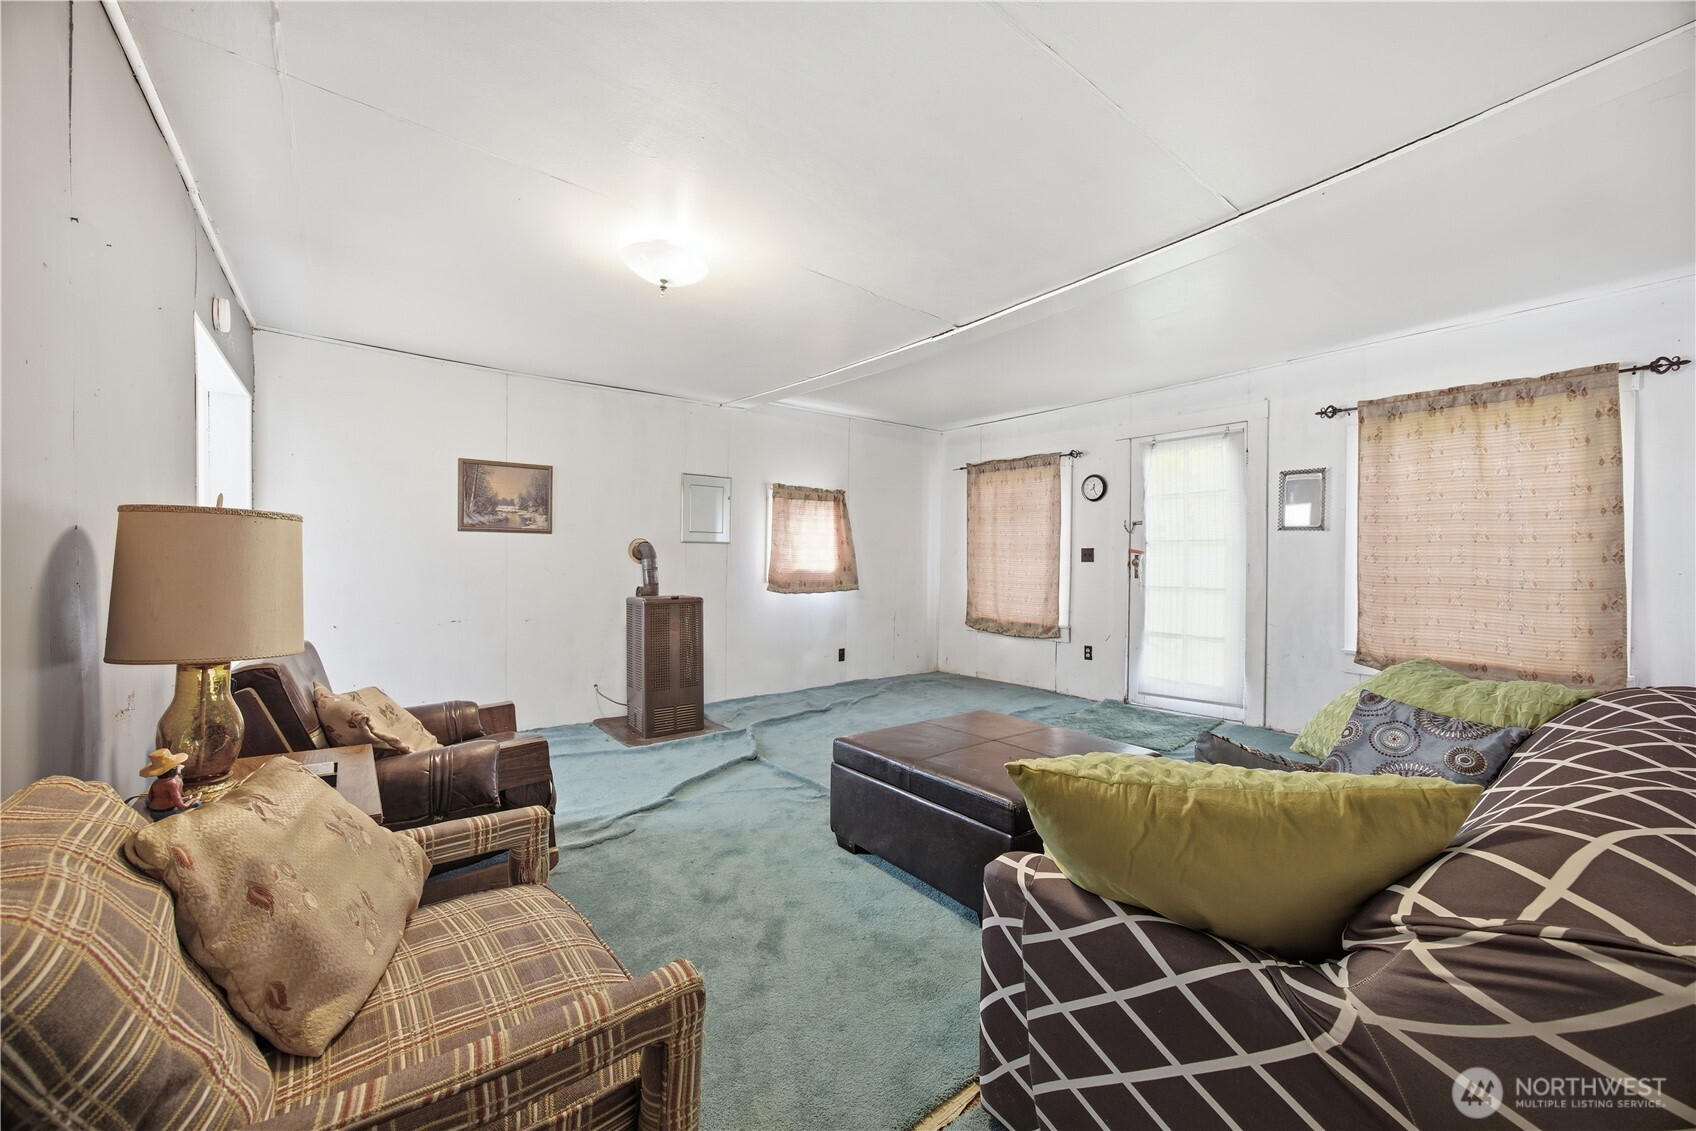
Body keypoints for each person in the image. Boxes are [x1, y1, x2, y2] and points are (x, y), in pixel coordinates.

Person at [141, 747, 202, 813]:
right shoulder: (172, 784)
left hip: (153, 811)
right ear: (173, 769)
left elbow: (153, 798)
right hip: (166, 812)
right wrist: (193, 800)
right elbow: (182, 806)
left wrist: (186, 798)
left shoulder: (156, 783)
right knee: (197, 803)